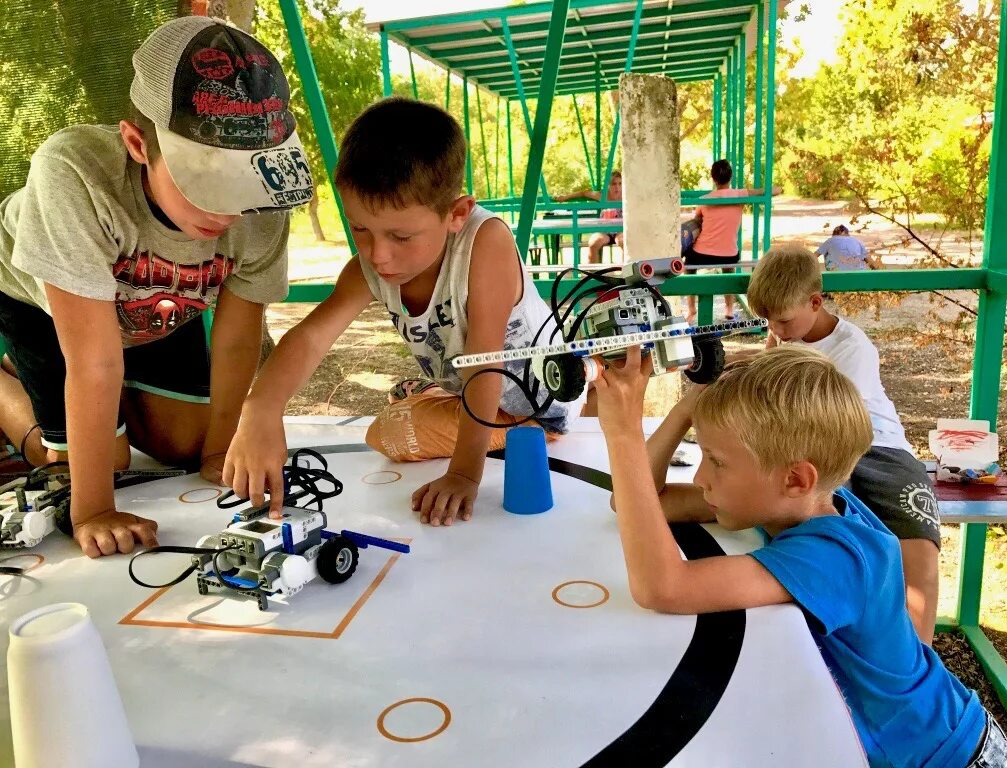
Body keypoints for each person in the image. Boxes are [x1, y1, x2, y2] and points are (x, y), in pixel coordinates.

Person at [596, 346, 1007, 768]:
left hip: (949, 758)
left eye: (717, 461)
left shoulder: (836, 557)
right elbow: (637, 501)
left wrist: (623, 434)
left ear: (796, 478)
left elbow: (662, 586)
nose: (701, 477)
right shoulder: (789, 503)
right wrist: (688, 409)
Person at [0, 17, 311, 558]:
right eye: (207, 181)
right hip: (42, 302)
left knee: (192, 446)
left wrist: (221, 450)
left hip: (158, 303)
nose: (230, 209)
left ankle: (116, 407)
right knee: (98, 466)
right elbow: (93, 363)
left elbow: (238, 341)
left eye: (248, 179)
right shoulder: (72, 173)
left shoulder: (262, 208)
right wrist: (94, 510)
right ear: (138, 144)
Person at [223, 97, 579, 527]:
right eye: (359, 229)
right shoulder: (368, 269)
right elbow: (311, 337)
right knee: (392, 428)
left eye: (401, 236)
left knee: (393, 433)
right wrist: (260, 407)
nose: (378, 255)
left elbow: (485, 363)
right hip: (473, 396)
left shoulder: (485, 244)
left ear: (457, 214)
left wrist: (464, 474)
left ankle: (573, 391)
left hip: (543, 402)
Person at [746, 244, 940, 643]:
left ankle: (921, 650)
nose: (776, 330)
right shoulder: (784, 338)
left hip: (878, 448)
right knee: (815, 526)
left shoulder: (853, 347)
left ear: (815, 302)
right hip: (812, 450)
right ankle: (830, 633)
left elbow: (837, 421)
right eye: (767, 321)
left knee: (916, 537)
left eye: (782, 320)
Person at [682, 159, 777, 324]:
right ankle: (729, 309)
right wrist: (778, 188)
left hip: (702, 253)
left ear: (713, 178)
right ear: (730, 177)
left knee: (689, 267)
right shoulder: (740, 195)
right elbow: (773, 190)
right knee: (729, 267)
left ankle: (691, 309)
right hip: (728, 254)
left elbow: (697, 219)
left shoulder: (705, 199)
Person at [552, 171, 623, 265]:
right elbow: (583, 193)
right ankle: (594, 275)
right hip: (604, 230)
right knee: (593, 243)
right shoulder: (602, 195)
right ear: (608, 185)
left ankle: (627, 274)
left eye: (620, 183)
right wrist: (565, 197)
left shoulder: (626, 196)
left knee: (624, 242)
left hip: (620, 230)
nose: (617, 187)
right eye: (614, 184)